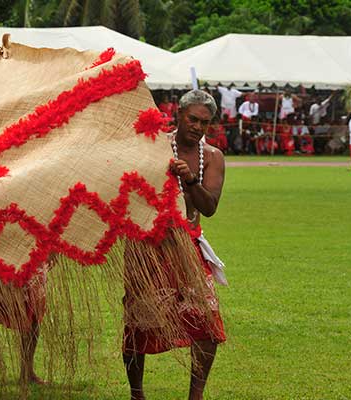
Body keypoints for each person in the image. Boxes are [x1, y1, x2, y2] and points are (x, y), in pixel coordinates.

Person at [123, 89, 226, 400]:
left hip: (189, 246)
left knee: (207, 325)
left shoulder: (213, 157)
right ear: (178, 115)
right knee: (137, 323)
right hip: (147, 247)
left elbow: (208, 207)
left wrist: (190, 180)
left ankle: (196, 395)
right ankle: (137, 394)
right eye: (192, 119)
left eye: (204, 123)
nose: (197, 126)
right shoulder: (153, 146)